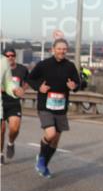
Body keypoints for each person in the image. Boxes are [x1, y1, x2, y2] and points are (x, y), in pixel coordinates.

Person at [26, 39, 81, 178]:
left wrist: (74, 86)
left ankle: (44, 164)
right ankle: (41, 159)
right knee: (50, 134)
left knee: (55, 141)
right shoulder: (44, 65)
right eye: (59, 48)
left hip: (61, 108)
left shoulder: (70, 66)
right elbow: (30, 79)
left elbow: (78, 83)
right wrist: (39, 87)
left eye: (64, 49)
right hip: (45, 105)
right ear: (53, 49)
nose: (62, 51)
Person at [2, 47, 28, 163]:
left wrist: (22, 89)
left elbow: (27, 82)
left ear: (15, 56)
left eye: (12, 55)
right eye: (7, 56)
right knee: (1, 130)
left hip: (14, 103)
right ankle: (0, 154)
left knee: (15, 128)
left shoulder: (22, 69)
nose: (10, 57)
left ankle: (11, 143)